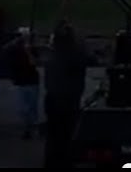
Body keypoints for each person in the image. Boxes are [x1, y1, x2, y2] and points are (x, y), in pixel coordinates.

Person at [43, 20, 90, 168]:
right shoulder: (73, 55)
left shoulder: (55, 55)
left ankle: (54, 161)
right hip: (67, 101)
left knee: (54, 136)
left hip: (55, 99)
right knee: (65, 136)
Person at [5, 29, 41, 140]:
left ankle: (30, 128)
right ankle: (27, 127)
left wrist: (28, 51)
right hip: (20, 81)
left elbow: (34, 62)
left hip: (31, 81)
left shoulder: (31, 49)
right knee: (22, 108)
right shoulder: (14, 48)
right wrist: (15, 41)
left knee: (31, 107)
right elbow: (4, 49)